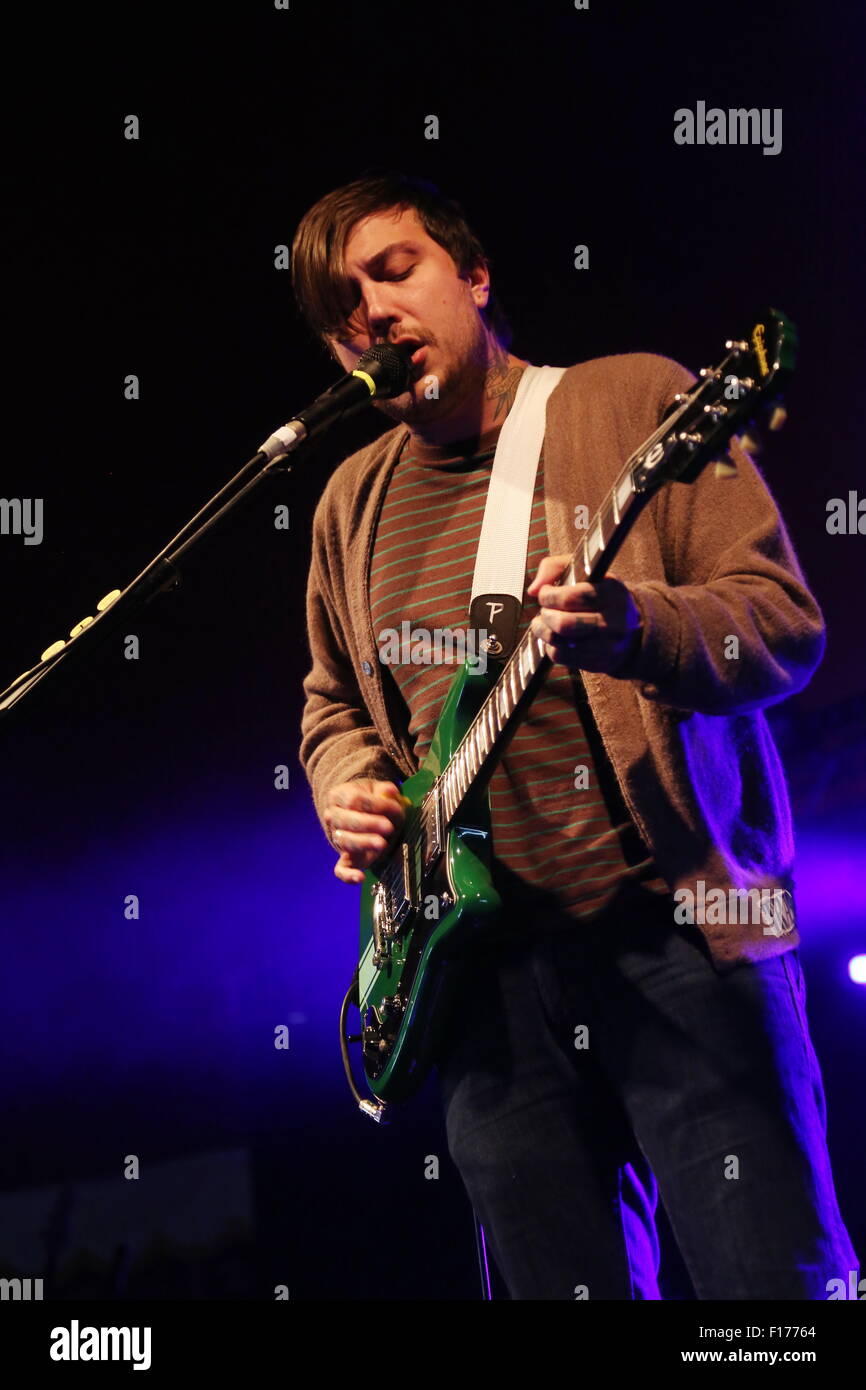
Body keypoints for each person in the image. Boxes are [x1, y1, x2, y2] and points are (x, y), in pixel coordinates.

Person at [292, 169, 859, 1299]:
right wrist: (347, 777)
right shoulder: (346, 501)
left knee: (773, 1301)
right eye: (340, 311)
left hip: (674, 940)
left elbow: (783, 627)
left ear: (474, 275)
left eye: (393, 272)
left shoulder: (632, 398)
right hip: (482, 990)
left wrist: (638, 626)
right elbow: (330, 704)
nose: (372, 315)